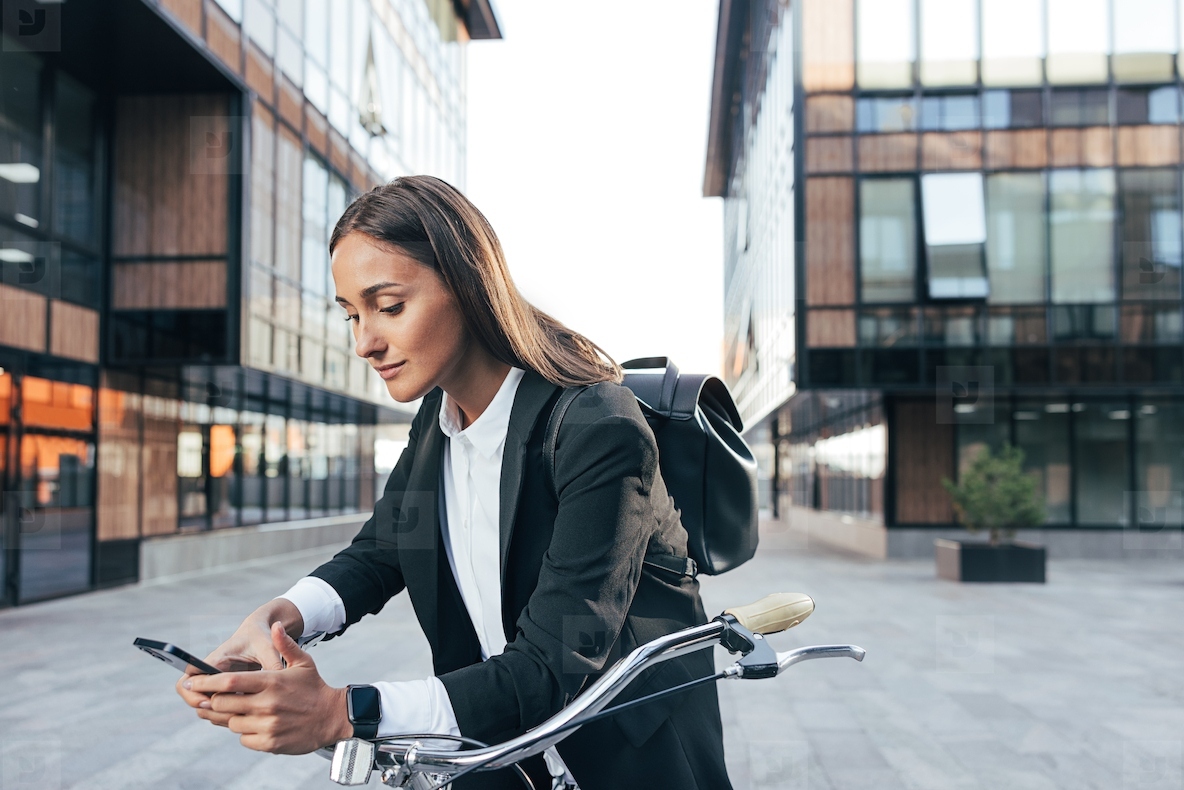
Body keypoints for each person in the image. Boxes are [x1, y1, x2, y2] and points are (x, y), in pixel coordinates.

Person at [176, 175, 733, 790]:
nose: (365, 341)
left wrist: (342, 712)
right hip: (497, 750)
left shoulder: (598, 427)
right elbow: (384, 548)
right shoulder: (435, 423)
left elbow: (551, 668)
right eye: (352, 315)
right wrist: (281, 617)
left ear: (468, 285)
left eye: (389, 307)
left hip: (626, 757)